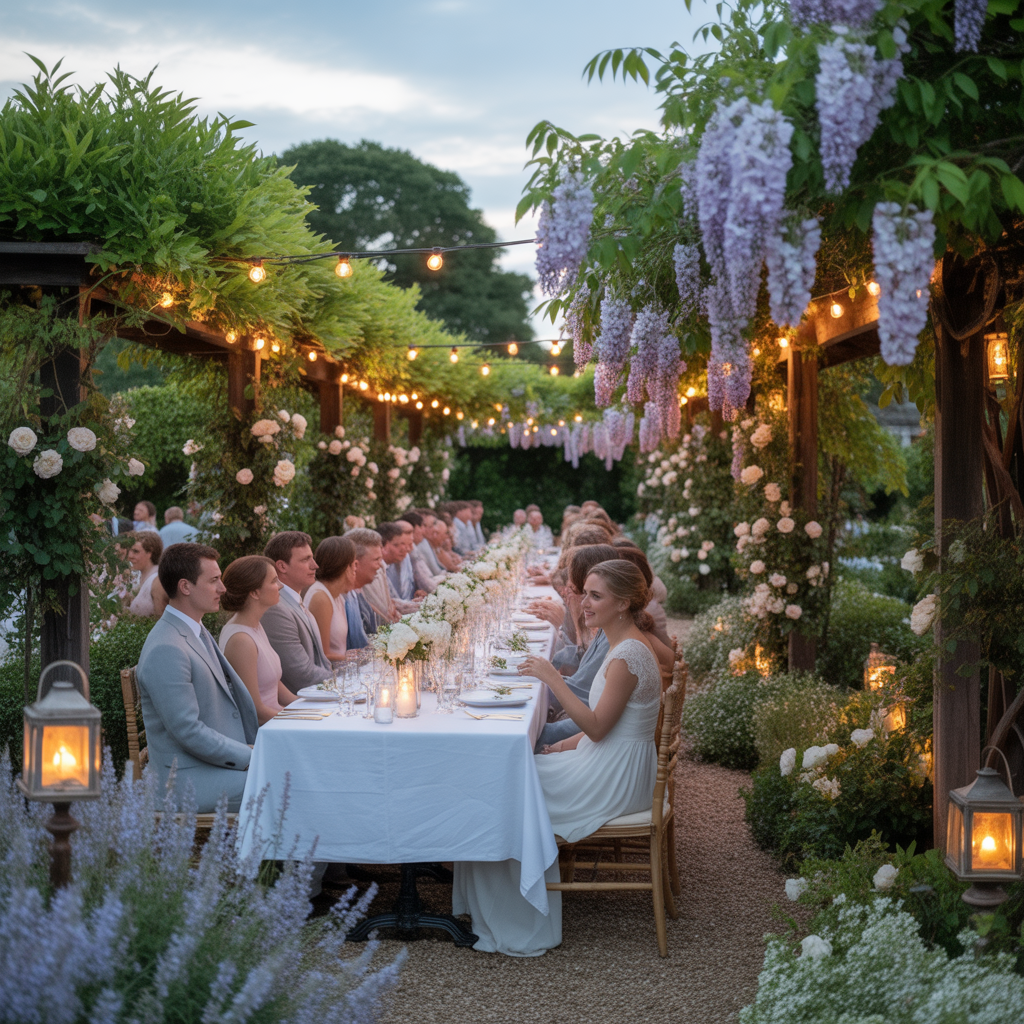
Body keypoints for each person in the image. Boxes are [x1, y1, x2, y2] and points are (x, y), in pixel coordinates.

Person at [453, 560, 662, 956]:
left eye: (595, 595)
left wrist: (552, 678)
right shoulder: (625, 644)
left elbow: (599, 727)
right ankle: (487, 906)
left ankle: (519, 923)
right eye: (585, 593)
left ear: (624, 603)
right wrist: (563, 746)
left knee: (501, 790)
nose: (583, 603)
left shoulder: (627, 655)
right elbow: (612, 726)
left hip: (614, 778)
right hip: (608, 761)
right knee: (508, 775)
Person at [135, 543, 259, 812]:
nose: (223, 589)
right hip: (186, 782)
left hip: (210, 765)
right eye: (214, 580)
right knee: (283, 783)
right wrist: (251, 755)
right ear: (185, 586)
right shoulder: (166, 647)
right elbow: (188, 730)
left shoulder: (193, 629)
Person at [219, 555, 298, 725]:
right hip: (265, 732)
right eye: (274, 581)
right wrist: (299, 721)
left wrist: (313, 707)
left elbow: (275, 687)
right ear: (255, 592)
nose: (281, 586)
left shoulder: (255, 625)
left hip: (279, 721)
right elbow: (255, 710)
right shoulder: (241, 640)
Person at [260, 531, 332, 693]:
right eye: (305, 559)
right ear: (282, 566)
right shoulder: (276, 608)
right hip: (300, 704)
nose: (315, 565)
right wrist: (344, 681)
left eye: (311, 558)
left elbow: (321, 662)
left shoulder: (293, 599)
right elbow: (301, 674)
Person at [303, 535, 369, 660]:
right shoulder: (321, 598)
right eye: (353, 563)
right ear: (345, 567)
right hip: (331, 675)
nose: (356, 568)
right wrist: (358, 658)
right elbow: (323, 655)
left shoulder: (338, 595)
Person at [345, 527, 390, 635]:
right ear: (355, 563)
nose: (380, 566)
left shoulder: (357, 592)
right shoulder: (342, 598)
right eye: (376, 560)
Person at [378, 521, 423, 613]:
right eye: (396, 545)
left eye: (403, 544)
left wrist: (416, 596)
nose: (405, 549)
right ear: (383, 546)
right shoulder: (377, 569)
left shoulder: (399, 562)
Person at [401, 511, 445, 594]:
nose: (424, 530)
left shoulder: (416, 546)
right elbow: (426, 583)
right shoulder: (412, 549)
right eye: (422, 526)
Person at [125, 531, 163, 617]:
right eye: (129, 551)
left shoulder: (157, 580)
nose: (129, 556)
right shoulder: (138, 576)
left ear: (150, 553)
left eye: (135, 551)